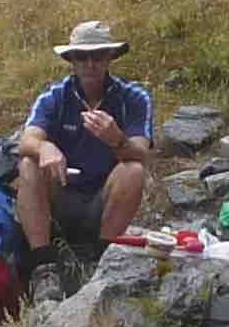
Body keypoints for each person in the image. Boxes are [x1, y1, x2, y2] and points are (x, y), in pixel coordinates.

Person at [14, 21, 152, 260]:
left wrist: (117, 140)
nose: (90, 64)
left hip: (103, 200)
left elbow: (141, 153)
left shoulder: (134, 97)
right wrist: (45, 147)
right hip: (60, 194)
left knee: (134, 171)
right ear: (72, 60)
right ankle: (42, 264)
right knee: (28, 164)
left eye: (98, 56)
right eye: (82, 56)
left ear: (109, 57)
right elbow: (27, 139)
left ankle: (101, 257)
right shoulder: (54, 96)